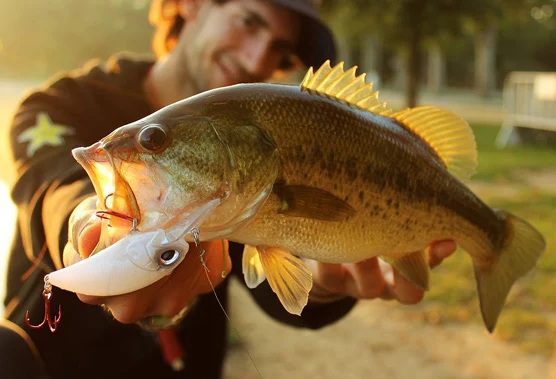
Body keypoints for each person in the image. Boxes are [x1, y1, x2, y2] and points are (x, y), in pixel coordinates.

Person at [1, 0, 456, 378]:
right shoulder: (58, 106)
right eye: (250, 20)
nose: (258, 58)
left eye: (282, 53)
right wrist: (89, 224)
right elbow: (56, 190)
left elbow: (272, 284)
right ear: (191, 4)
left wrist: (321, 276)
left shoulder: (244, 159)